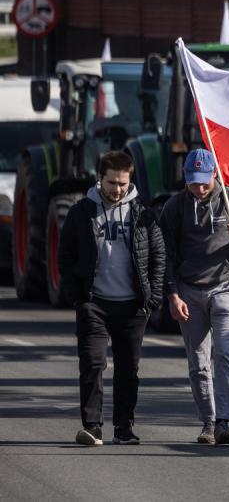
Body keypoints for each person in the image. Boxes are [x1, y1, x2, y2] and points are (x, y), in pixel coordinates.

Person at [59, 150, 165, 446]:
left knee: (128, 369)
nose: (116, 189)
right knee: (92, 363)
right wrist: (78, 298)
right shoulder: (82, 212)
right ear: (100, 178)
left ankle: (124, 428)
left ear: (129, 181)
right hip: (95, 303)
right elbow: (65, 255)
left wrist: (151, 299)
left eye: (122, 183)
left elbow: (157, 255)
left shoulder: (143, 213)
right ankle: (92, 427)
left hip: (133, 306)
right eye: (111, 183)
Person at [162, 148, 229, 446]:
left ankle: (224, 421)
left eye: (205, 182)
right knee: (198, 360)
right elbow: (165, 254)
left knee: (225, 351)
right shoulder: (175, 207)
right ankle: (207, 420)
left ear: (215, 175)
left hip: (226, 286)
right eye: (194, 182)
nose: (200, 188)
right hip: (189, 291)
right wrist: (173, 294)